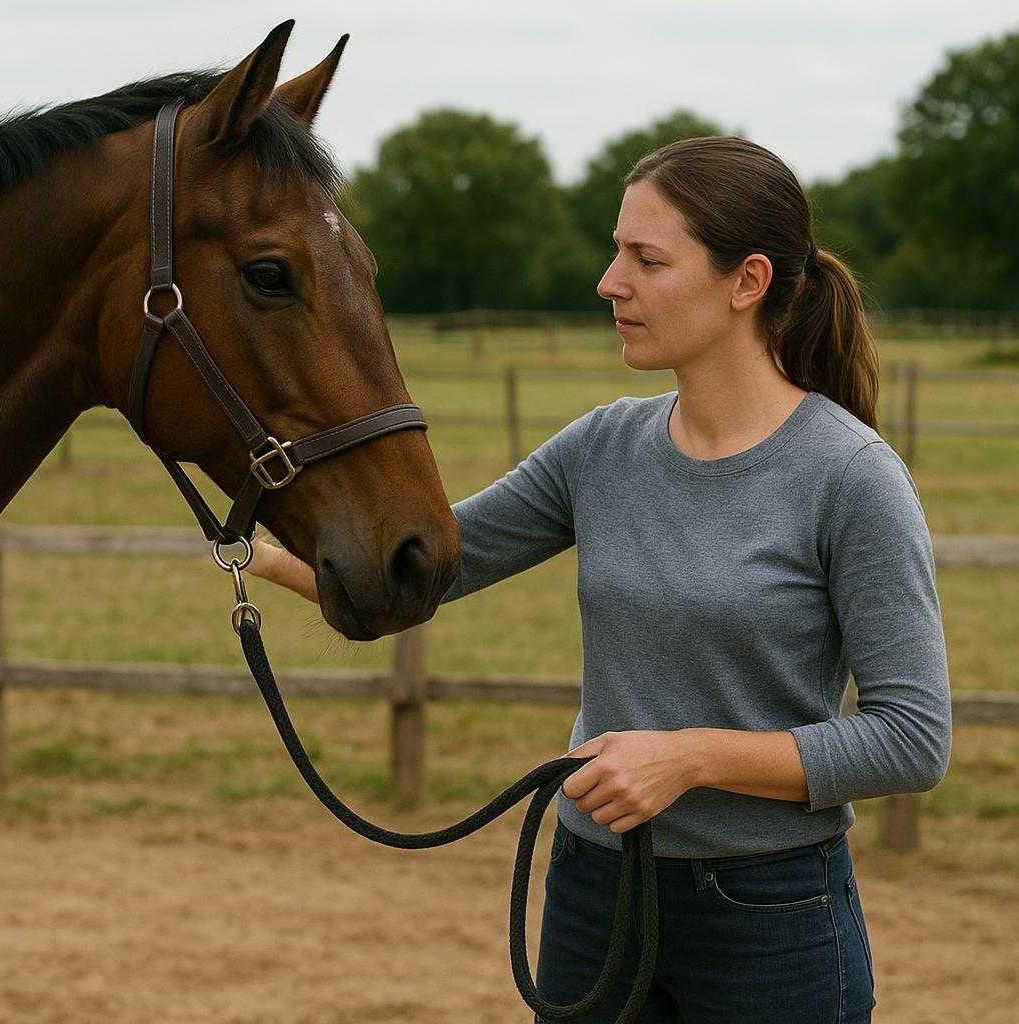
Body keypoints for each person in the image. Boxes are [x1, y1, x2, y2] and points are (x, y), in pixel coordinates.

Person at [245, 135, 951, 1023]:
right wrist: (259, 544)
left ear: (748, 282)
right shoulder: (603, 446)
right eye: (618, 250)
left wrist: (690, 758)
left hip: (770, 917)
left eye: (646, 260)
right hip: (594, 893)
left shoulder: (851, 476)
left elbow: (912, 738)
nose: (609, 282)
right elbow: (434, 567)